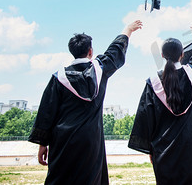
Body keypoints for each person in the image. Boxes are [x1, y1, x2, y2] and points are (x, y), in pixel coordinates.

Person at [28, 20, 143, 185]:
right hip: (90, 141)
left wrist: (42, 143)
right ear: (91, 51)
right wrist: (128, 30)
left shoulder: (58, 78)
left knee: (61, 178)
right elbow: (115, 51)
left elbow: (47, 112)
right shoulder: (100, 71)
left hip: (62, 140)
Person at [128, 26, 192, 185]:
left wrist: (150, 148)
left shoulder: (153, 83)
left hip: (163, 149)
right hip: (190, 149)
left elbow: (146, 115)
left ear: (162, 55)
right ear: (182, 55)